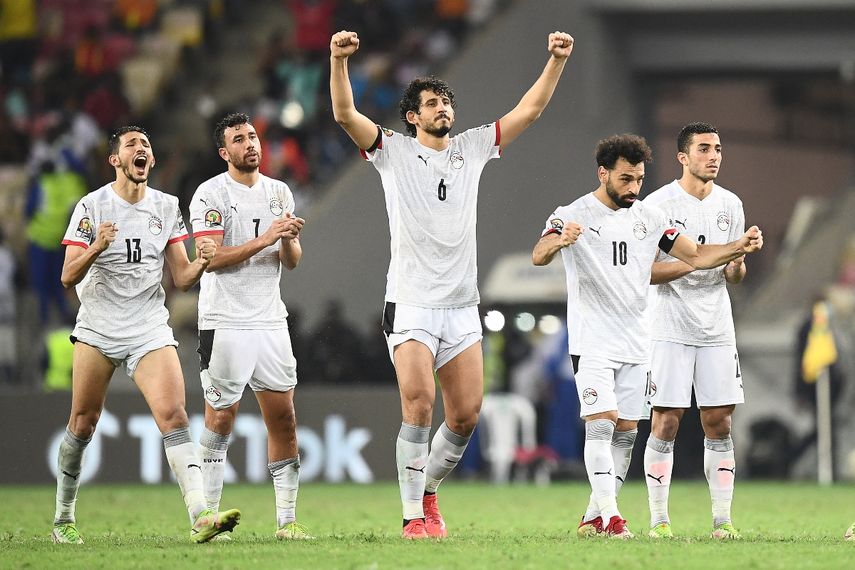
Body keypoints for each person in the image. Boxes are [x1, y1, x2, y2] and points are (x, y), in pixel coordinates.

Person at [330, 29, 574, 539]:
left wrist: (555, 60)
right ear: (412, 116)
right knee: (418, 404)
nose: (444, 108)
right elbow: (345, 115)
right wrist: (338, 61)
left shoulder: (473, 147)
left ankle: (429, 490)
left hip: (462, 305)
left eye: (447, 102)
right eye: (433, 103)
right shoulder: (390, 151)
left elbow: (528, 110)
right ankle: (411, 517)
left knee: (464, 417)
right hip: (412, 301)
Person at [531, 134, 763, 539]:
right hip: (594, 341)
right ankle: (613, 517)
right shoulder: (573, 213)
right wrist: (558, 241)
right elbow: (539, 253)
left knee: (625, 432)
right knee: (601, 426)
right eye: (625, 179)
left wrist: (737, 246)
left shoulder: (650, 218)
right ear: (603, 173)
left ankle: (592, 515)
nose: (633, 188)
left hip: (637, 342)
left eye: (638, 179)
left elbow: (697, 255)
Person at [52, 126, 240, 544]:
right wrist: (97, 246)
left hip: (148, 326)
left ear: (151, 162)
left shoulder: (167, 206)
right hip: (99, 326)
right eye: (132, 146)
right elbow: (67, 275)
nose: (142, 151)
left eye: (147, 147)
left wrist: (203, 261)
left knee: (174, 418)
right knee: (83, 423)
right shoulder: (91, 206)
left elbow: (182, 276)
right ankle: (63, 518)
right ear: (115, 160)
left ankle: (200, 516)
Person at [189, 112, 312, 541]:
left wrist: (289, 237)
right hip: (225, 320)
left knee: (285, 420)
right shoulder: (210, 194)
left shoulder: (279, 192)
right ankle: (208, 518)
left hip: (270, 319)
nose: (251, 144)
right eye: (239, 139)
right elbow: (213, 261)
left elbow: (291, 261)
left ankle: (287, 522)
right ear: (225, 152)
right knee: (220, 418)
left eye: (253, 136)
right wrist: (268, 236)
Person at [641, 122, 753, 540]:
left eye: (718, 148)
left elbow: (734, 276)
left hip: (716, 326)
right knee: (666, 420)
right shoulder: (657, 205)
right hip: (669, 324)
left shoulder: (731, 204)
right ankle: (659, 520)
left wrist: (737, 261)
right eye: (704, 148)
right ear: (683, 157)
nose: (714, 156)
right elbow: (645, 271)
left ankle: (722, 522)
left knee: (719, 421)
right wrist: (695, 262)